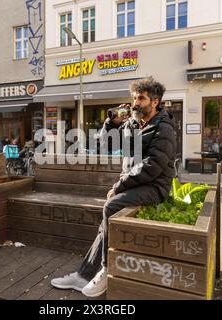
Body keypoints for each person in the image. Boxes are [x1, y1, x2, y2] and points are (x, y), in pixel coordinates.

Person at [50, 77, 176, 297]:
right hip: (135, 185)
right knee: (106, 223)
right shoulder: (133, 123)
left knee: (110, 207)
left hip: (155, 187)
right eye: (135, 97)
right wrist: (112, 123)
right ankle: (84, 275)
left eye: (141, 98)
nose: (136, 102)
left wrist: (119, 186)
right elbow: (107, 144)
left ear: (154, 102)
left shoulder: (163, 127)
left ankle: (107, 271)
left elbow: (153, 166)